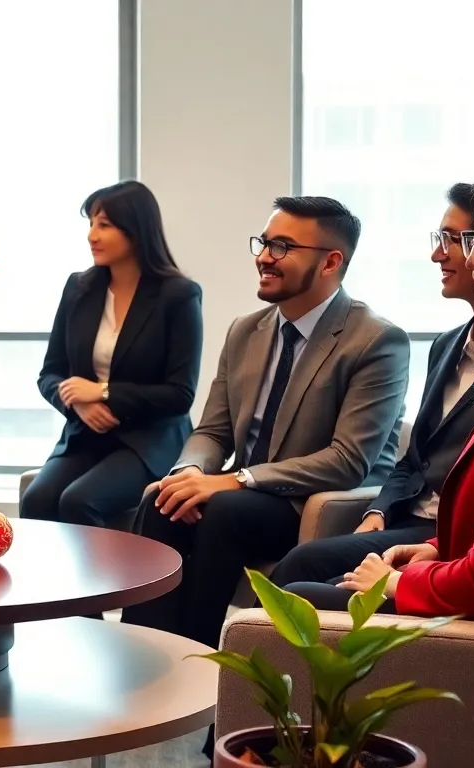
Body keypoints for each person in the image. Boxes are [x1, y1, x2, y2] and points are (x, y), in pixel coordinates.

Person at [288, 151, 474, 627]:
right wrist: (435, 549)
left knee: (292, 602)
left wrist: (397, 583)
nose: (471, 257)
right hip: (471, 596)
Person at [119, 196, 409, 651]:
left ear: (331, 261)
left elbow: (348, 460)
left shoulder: (375, 340)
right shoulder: (245, 330)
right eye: (264, 242)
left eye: (282, 247)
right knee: (163, 499)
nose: (263, 256)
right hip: (242, 494)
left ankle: (196, 664)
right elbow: (212, 432)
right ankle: (142, 656)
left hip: (316, 501)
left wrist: (235, 481)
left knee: (225, 512)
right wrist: (191, 472)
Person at [270, 183, 474, 588]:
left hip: (452, 537)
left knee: (303, 580)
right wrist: (378, 510)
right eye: (438, 238)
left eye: (454, 239)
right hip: (406, 522)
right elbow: (413, 460)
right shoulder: (447, 346)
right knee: (300, 566)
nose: (436, 253)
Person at [21, 181, 203, 530]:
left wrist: (102, 392)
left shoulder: (178, 295)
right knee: (37, 499)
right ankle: (53, 586)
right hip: (84, 436)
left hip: (149, 442)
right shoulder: (79, 288)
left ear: (137, 230)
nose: (92, 235)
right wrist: (79, 404)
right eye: (90, 223)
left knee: (80, 500)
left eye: (104, 225)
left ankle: (108, 586)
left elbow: (180, 394)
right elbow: (50, 374)